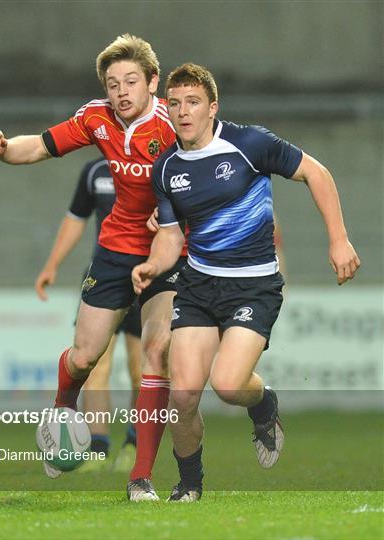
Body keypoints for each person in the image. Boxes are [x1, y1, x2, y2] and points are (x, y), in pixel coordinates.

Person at [132, 63, 361, 502]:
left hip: (253, 285)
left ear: (212, 107)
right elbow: (171, 234)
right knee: (181, 395)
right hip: (198, 284)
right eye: (175, 104)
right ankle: (190, 484)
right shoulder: (166, 168)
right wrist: (152, 265)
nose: (183, 112)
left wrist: (338, 239)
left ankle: (263, 403)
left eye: (193, 103)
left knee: (230, 384)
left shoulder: (248, 143)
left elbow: (317, 173)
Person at [0, 34, 187, 501]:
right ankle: (62, 409)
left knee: (157, 354)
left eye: (131, 80)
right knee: (84, 356)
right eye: (113, 83)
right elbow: (38, 146)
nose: (121, 91)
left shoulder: (175, 124)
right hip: (115, 248)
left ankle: (141, 477)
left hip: (169, 251)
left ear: (152, 81)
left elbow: (211, 177)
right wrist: (2, 147)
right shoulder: (96, 118)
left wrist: (178, 214)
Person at [35, 157, 141, 472]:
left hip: (145, 277)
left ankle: (135, 444)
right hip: (103, 274)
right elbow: (75, 217)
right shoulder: (95, 171)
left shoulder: (154, 163)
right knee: (94, 366)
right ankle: (98, 447)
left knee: (142, 370)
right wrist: (52, 264)